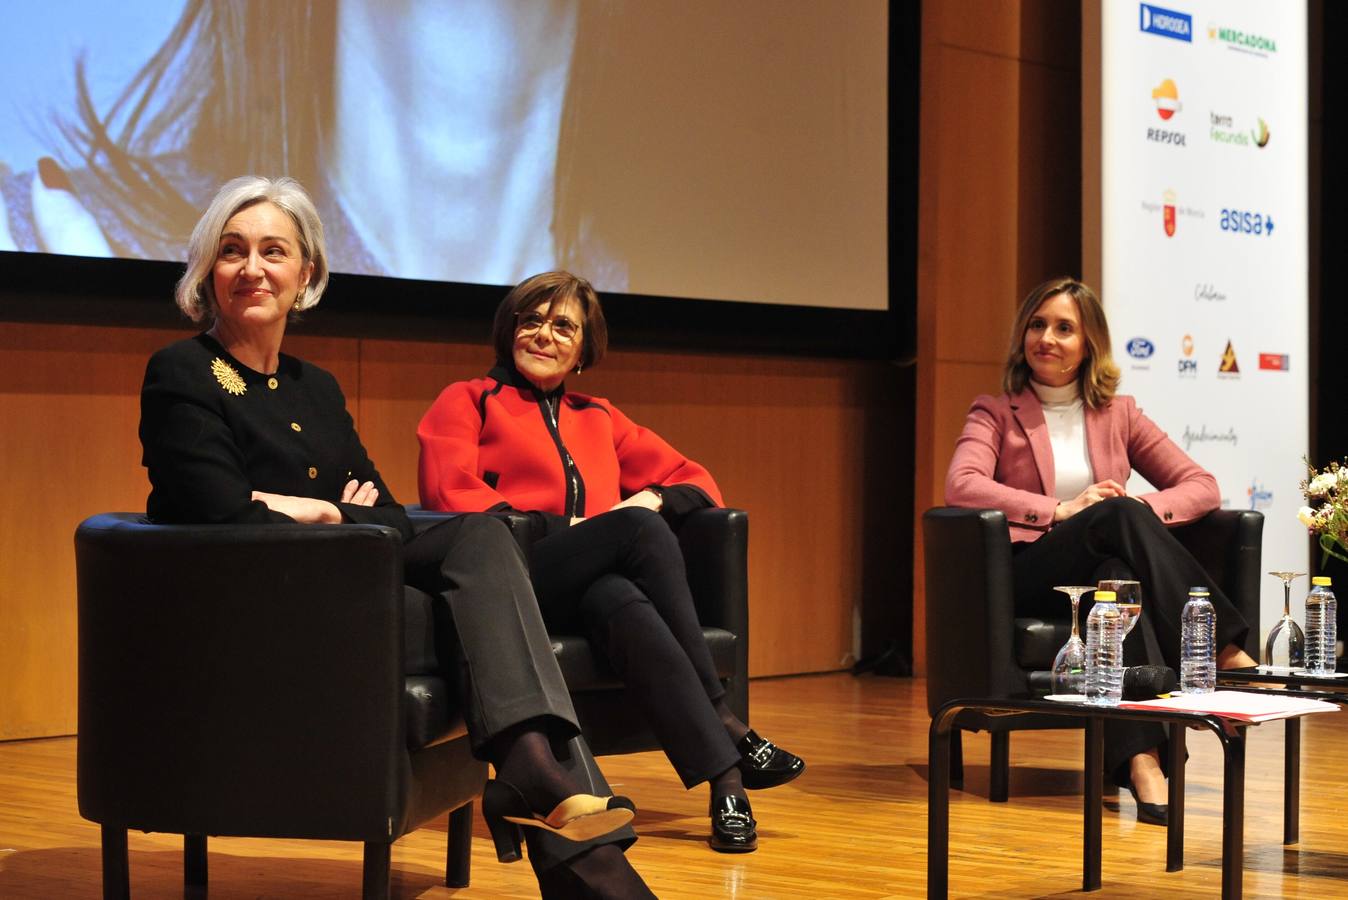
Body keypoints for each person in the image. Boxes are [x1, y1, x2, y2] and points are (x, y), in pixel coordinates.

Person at [138, 176, 653, 899]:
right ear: (207, 270)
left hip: (353, 582)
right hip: (262, 607)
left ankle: (536, 780)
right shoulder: (183, 371)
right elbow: (215, 511)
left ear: (306, 274)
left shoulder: (316, 387)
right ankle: (555, 806)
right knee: (462, 597)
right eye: (232, 251)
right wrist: (327, 511)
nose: (252, 268)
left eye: (273, 251)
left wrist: (316, 511)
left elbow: (390, 514)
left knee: (481, 537)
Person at [416, 271, 805, 854]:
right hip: (502, 580)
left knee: (621, 599)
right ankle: (726, 723)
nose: (544, 334)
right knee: (637, 530)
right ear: (509, 330)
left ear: (583, 350)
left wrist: (653, 496)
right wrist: (567, 528)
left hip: (580, 587)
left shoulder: (598, 416)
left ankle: (727, 785)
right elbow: (449, 493)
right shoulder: (468, 400)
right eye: (531, 320)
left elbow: (696, 479)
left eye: (563, 326)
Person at [944, 276, 1259, 826]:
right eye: (1037, 325)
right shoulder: (995, 412)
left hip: (1097, 578)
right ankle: (1222, 649)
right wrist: (1060, 510)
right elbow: (962, 485)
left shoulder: (1120, 413)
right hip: (1029, 572)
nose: (1047, 338)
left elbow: (1201, 486)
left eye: (1064, 328)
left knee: (1117, 582)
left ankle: (1143, 765)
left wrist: (1137, 512)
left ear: (1089, 343)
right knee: (1115, 516)